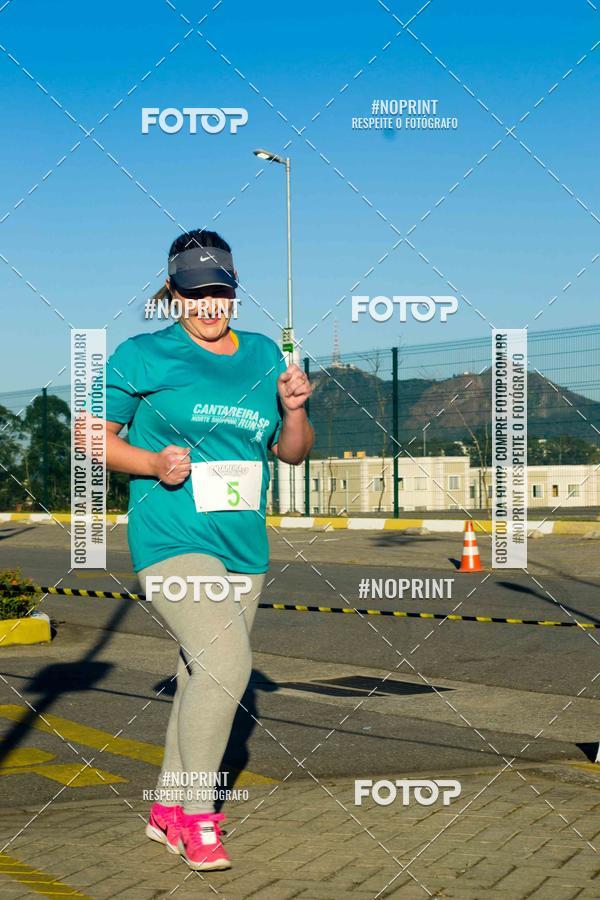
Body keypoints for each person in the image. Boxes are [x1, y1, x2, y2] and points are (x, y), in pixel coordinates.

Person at [102, 228, 313, 871]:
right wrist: (151, 462)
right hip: (171, 538)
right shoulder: (140, 356)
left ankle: (166, 806)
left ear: (234, 290)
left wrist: (295, 408)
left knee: (201, 673)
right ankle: (198, 818)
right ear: (173, 294)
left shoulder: (263, 358)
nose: (208, 305)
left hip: (242, 545)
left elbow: (292, 452)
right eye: (194, 294)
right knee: (226, 664)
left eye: (219, 291)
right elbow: (95, 441)